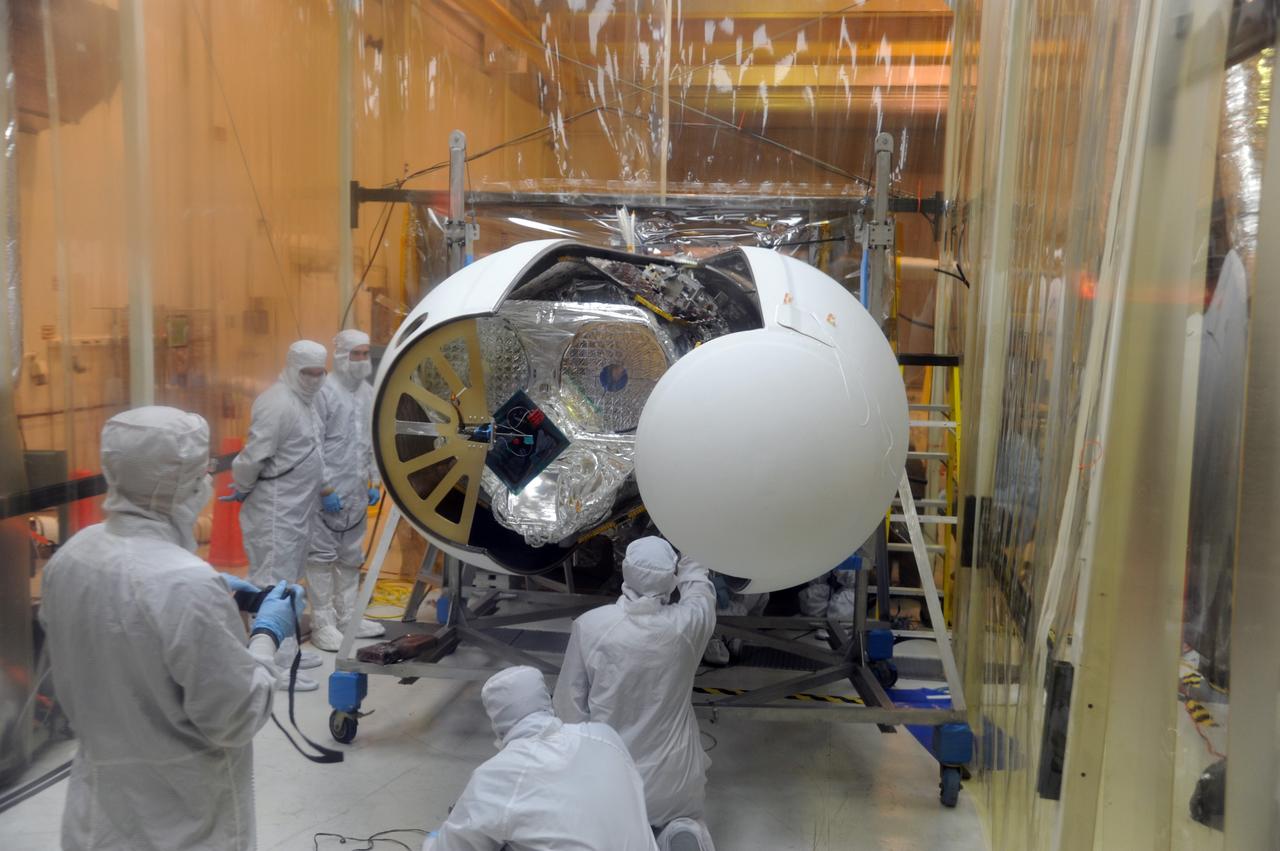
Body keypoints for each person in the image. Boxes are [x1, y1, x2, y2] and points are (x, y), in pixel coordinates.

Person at [38, 406, 305, 851]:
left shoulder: (73, 556)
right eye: (203, 470)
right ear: (179, 482)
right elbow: (234, 716)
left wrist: (211, 590)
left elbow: (120, 621)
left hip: (97, 816)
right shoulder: (186, 586)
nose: (208, 480)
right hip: (182, 821)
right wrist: (266, 636)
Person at [553, 537, 717, 848]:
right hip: (675, 781)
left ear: (626, 570)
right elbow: (700, 588)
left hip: (612, 781)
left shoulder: (590, 626)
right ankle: (682, 832)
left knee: (605, 823)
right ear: (670, 578)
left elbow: (568, 709)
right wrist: (689, 540)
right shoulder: (687, 626)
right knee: (685, 820)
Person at [425, 666, 659, 851]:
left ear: (498, 721)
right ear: (546, 699)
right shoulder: (604, 735)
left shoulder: (498, 775)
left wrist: (432, 841)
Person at [229, 339, 328, 688]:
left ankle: (287, 651)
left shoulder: (306, 401)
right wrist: (242, 483)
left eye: (320, 372)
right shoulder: (277, 403)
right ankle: (271, 667)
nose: (315, 379)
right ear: (291, 367)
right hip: (274, 510)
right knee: (270, 583)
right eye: (308, 372)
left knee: (287, 583)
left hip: (296, 508)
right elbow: (254, 454)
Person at [307, 329, 386, 651]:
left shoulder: (367, 392)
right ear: (339, 355)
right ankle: (321, 623)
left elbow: (370, 439)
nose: (361, 360)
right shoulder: (322, 392)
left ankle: (348, 616)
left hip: (354, 488)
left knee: (351, 555)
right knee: (322, 557)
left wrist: (374, 480)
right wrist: (324, 487)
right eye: (355, 353)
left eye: (365, 353)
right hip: (325, 491)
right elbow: (313, 443)